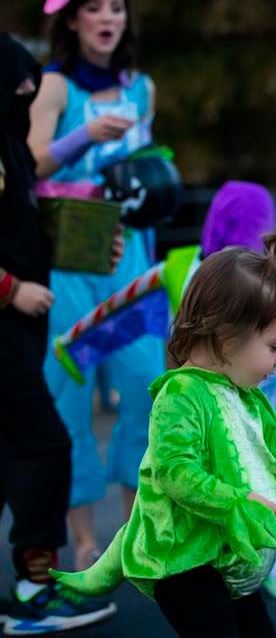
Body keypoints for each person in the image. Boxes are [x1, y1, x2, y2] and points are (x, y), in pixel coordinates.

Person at [51, 230, 276, 636]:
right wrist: (237, 503)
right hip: (182, 559)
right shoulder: (181, 394)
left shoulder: (243, 393)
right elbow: (175, 473)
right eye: (275, 346)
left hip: (222, 556)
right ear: (225, 333)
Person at [27, 0, 164, 571]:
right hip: (65, 254)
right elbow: (30, 163)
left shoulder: (142, 89)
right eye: (94, 8)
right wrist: (81, 136)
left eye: (117, 7)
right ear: (72, 20)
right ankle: (83, 539)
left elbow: (147, 171)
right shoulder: (53, 87)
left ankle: (137, 534)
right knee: (67, 397)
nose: (108, 17)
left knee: (148, 388)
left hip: (129, 255)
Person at [0, 33, 119, 634]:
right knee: (46, 445)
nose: (29, 90)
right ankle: (37, 588)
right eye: (18, 82)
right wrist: (8, 288)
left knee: (14, 454)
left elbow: (25, 225)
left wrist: (94, 244)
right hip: (4, 327)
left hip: (21, 332)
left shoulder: (12, 151)